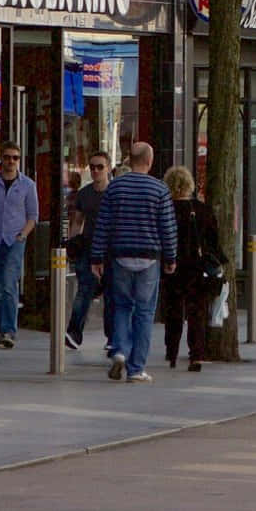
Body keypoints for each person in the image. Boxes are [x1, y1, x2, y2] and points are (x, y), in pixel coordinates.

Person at [88, 143, 177, 384]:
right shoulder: (160, 190)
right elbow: (167, 228)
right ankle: (136, 368)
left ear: (130, 160)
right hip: (149, 257)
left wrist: (96, 257)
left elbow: (102, 225)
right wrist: (170, 257)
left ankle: (118, 351)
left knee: (121, 306)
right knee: (144, 312)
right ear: (149, 161)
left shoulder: (115, 188)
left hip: (120, 256)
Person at [160, 167, 225, 371]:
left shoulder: (165, 209)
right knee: (197, 311)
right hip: (198, 268)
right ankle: (196, 354)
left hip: (172, 266)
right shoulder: (203, 210)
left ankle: (171, 353)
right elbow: (214, 240)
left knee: (173, 310)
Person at [0, 143, 40, 349]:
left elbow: (33, 216)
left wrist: (23, 235)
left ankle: (9, 331)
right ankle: (1, 329)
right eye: (7, 157)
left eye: (15, 157)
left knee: (9, 285)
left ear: (19, 160)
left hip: (15, 241)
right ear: (1, 159)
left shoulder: (28, 185)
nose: (11, 161)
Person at [63, 152, 111, 349]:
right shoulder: (84, 194)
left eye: (100, 167)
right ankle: (74, 332)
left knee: (112, 294)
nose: (96, 171)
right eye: (92, 167)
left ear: (108, 167)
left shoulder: (115, 192)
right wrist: (72, 244)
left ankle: (113, 337)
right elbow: (77, 221)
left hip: (111, 250)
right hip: (88, 249)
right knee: (84, 290)